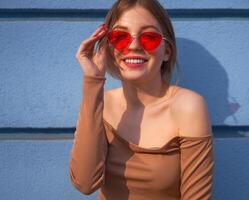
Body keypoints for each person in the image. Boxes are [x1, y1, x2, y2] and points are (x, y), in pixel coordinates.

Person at [69, 0, 214, 199]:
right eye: (120, 37)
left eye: (149, 37)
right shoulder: (100, 102)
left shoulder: (188, 107)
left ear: (167, 52)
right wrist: (92, 80)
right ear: (109, 47)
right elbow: (85, 184)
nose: (134, 45)